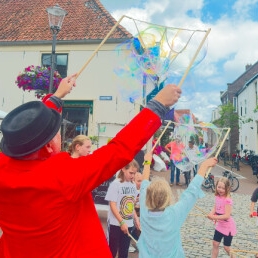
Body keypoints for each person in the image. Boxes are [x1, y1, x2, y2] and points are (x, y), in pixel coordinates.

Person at [0, 72, 181, 257]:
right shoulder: (62, 175)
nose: (59, 134)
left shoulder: (4, 165)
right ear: (47, 146)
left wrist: (56, 98)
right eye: (55, 131)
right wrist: (157, 105)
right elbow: (118, 150)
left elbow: (29, 131)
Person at [137, 151, 217, 257]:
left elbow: (144, 183)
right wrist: (204, 166)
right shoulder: (174, 214)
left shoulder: (144, 207)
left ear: (148, 196)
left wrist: (147, 161)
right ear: (167, 197)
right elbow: (191, 192)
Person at [105, 160, 140, 258]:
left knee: (124, 252)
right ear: (123, 169)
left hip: (128, 224)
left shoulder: (133, 185)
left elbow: (130, 204)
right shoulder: (116, 184)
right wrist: (121, 222)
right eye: (131, 173)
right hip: (115, 224)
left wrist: (136, 218)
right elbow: (112, 205)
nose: (133, 176)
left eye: (134, 173)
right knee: (112, 250)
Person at [207, 177, 237, 258]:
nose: (220, 189)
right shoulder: (217, 197)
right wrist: (210, 214)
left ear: (227, 188)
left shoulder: (227, 200)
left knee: (226, 247)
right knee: (215, 243)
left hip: (228, 226)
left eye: (223, 188)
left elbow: (227, 216)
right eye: (219, 187)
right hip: (220, 225)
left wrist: (214, 217)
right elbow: (215, 207)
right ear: (216, 186)